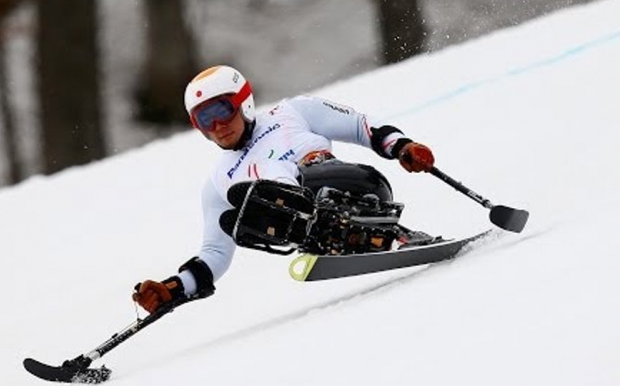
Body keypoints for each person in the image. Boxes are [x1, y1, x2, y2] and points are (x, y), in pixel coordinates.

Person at [133, 65, 435, 313]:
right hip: (300, 228)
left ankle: (390, 236)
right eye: (205, 119)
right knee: (236, 212)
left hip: (357, 189)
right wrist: (172, 289)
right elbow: (214, 253)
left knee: (269, 186)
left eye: (222, 111)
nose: (218, 126)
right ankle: (324, 231)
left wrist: (402, 146)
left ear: (243, 103)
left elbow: (360, 126)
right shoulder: (218, 183)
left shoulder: (292, 113)